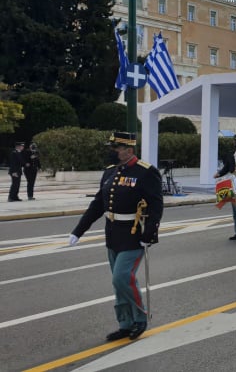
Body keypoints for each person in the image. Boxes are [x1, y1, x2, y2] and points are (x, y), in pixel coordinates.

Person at [68, 132, 163, 340]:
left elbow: (156, 206)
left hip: (133, 234)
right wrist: (78, 231)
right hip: (112, 234)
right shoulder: (110, 172)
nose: (112, 152)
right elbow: (98, 205)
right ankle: (125, 323)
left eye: (116, 148)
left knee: (122, 278)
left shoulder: (146, 172)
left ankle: (140, 318)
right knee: (117, 281)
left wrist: (149, 235)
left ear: (129, 150)